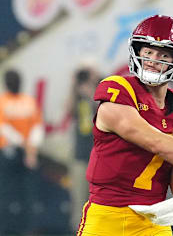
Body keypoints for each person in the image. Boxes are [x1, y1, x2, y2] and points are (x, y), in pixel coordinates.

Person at [76, 15, 173, 236]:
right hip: (107, 216)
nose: (153, 59)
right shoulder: (118, 91)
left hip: (154, 220)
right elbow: (155, 141)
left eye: (163, 54)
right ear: (137, 52)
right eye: (148, 52)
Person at [0, 68, 44, 236]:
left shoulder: (28, 101)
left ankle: (28, 229)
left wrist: (31, 149)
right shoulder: (2, 101)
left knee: (28, 193)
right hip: (10, 151)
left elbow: (37, 126)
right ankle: (2, 230)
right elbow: (2, 127)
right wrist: (27, 146)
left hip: (25, 152)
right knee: (4, 194)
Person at [66, 65, 100, 231]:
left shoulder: (99, 96)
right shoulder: (77, 96)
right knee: (79, 199)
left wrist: (93, 90)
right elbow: (68, 109)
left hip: (98, 157)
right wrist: (74, 86)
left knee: (99, 200)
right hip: (80, 156)